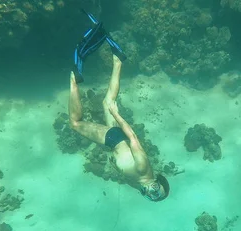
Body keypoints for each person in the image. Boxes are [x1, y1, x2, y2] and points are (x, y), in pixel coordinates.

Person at [68, 11, 170, 202]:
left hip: (115, 141)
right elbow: (133, 137)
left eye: (153, 196)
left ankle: (118, 60)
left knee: (107, 101)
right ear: (156, 180)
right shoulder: (143, 169)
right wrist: (116, 114)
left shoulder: (139, 183)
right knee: (74, 123)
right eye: (156, 189)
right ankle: (74, 78)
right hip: (115, 138)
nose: (151, 192)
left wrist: (115, 163)